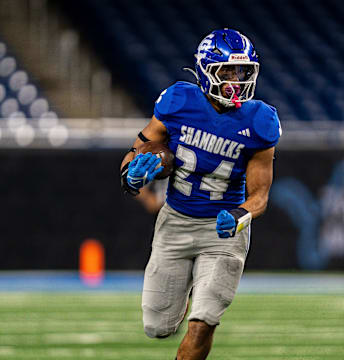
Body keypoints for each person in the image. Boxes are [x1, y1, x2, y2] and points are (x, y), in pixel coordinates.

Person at [120, 28, 281, 360]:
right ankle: (193, 289)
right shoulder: (178, 101)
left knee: (203, 321)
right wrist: (131, 175)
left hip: (222, 231)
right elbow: (135, 152)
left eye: (243, 71)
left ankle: (204, 299)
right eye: (228, 71)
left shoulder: (260, 121)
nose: (237, 79)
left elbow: (260, 195)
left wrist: (240, 215)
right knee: (157, 326)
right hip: (175, 221)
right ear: (206, 69)